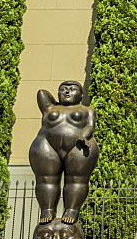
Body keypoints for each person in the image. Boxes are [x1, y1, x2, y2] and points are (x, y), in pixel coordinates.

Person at [29, 81, 99, 224]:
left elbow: (90, 125)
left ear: (81, 95)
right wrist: (57, 100)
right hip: (47, 143)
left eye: (73, 89)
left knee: (76, 179)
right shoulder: (50, 108)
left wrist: (83, 136)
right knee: (45, 179)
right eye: (63, 89)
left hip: (78, 145)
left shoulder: (87, 110)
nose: (67, 92)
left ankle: (72, 210)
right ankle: (47, 209)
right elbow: (42, 93)